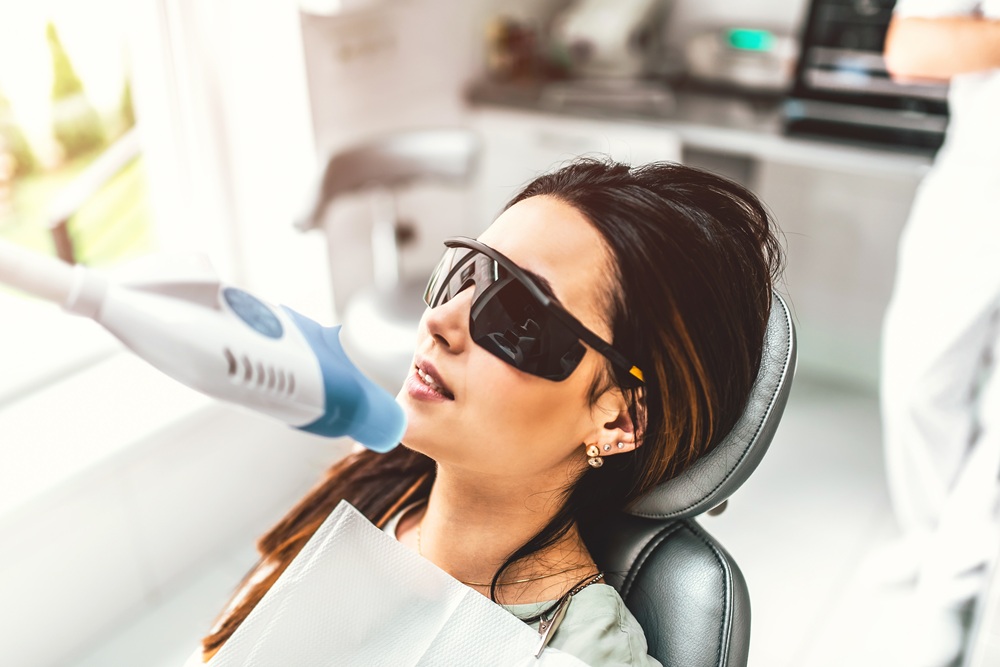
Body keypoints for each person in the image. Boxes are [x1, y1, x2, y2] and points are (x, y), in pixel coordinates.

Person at [195, 159, 783, 665]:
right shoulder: (374, 483)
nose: (439, 321)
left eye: (519, 320)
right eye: (464, 273)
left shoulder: (578, 654)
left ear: (617, 419)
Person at [876, 2, 1000, 664]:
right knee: (917, 383)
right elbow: (913, 49)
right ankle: (932, 538)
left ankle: (954, 587)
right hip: (979, 181)